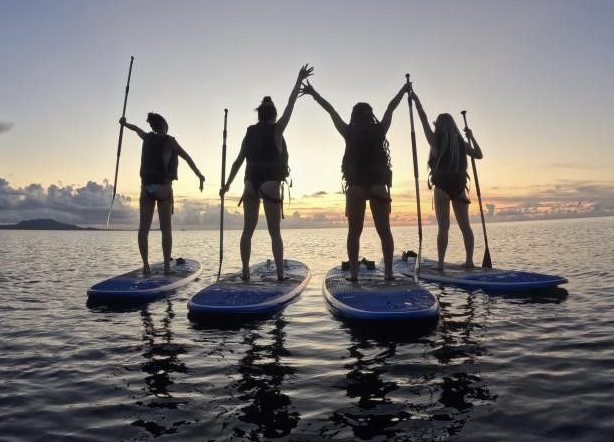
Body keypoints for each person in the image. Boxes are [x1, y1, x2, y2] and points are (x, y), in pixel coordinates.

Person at [300, 80, 411, 281]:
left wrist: (313, 93)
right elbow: (390, 108)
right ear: (371, 116)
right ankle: (388, 273)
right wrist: (404, 90)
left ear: (354, 116)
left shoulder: (348, 131)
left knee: (354, 233)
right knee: (385, 232)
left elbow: (330, 110)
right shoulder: (380, 129)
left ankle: (353, 275)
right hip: (378, 186)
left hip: (356, 187)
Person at [220, 64, 314, 281]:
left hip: (250, 185)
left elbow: (237, 162)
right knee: (275, 232)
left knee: (247, 231)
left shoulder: (250, 132)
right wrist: (299, 79)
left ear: (260, 115)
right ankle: (280, 274)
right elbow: (291, 103)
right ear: (273, 115)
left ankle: (245, 272)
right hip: (270, 186)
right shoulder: (277, 129)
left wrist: (226, 185)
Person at [120, 113, 205, 276]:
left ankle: (146, 265)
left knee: (143, 229)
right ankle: (167, 266)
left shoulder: (147, 137)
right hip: (163, 188)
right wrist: (199, 175)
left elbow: (135, 129)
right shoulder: (170, 141)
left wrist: (124, 123)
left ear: (153, 127)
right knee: (166, 230)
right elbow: (187, 158)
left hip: (146, 188)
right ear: (164, 126)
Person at [409, 91, 483, 269]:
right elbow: (479, 154)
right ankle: (470, 261)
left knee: (443, 227)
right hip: (459, 186)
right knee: (465, 226)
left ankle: (441, 264)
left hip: (441, 186)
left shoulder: (435, 140)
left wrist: (416, 100)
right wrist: (471, 137)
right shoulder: (460, 143)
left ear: (439, 125)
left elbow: (423, 119)